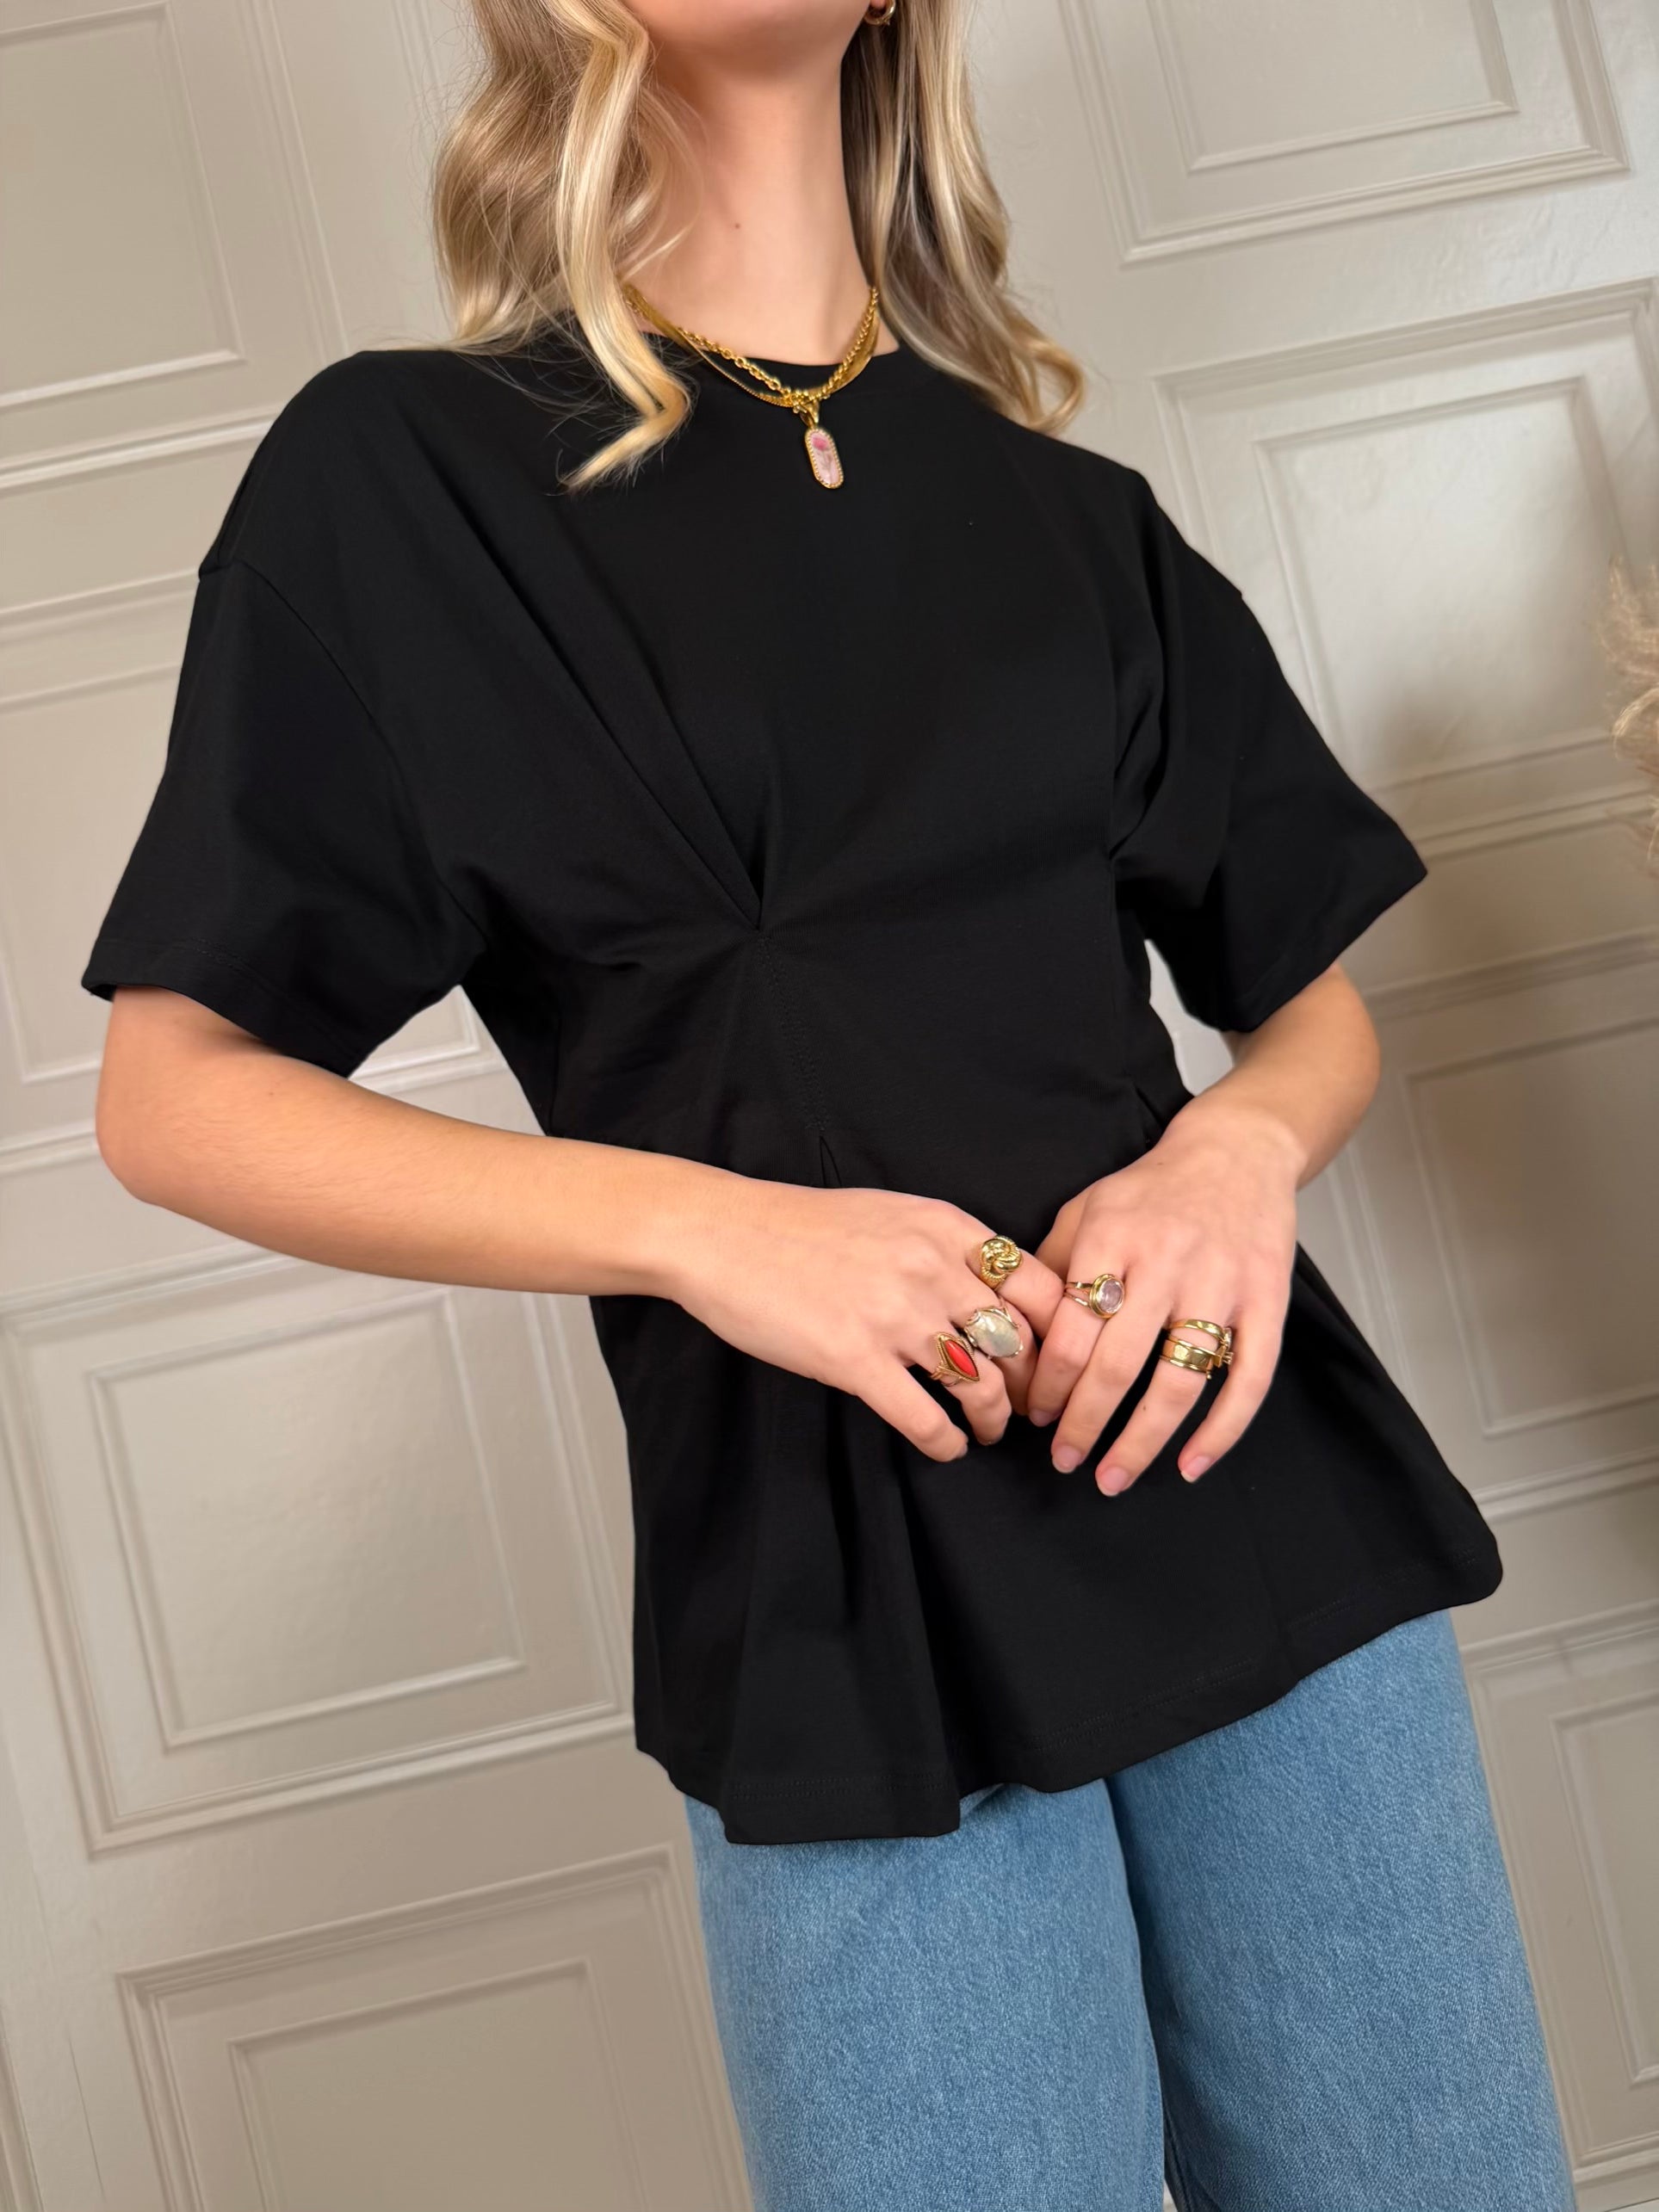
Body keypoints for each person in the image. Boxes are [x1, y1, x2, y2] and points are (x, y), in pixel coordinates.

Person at [83, 1, 1576, 2205]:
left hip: (1243, 1480)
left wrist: (1232, 1153)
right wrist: (707, 1227)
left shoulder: (1067, 517)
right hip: (835, 1593)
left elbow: (1311, 1010)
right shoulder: (406, 478)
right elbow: (176, 1096)